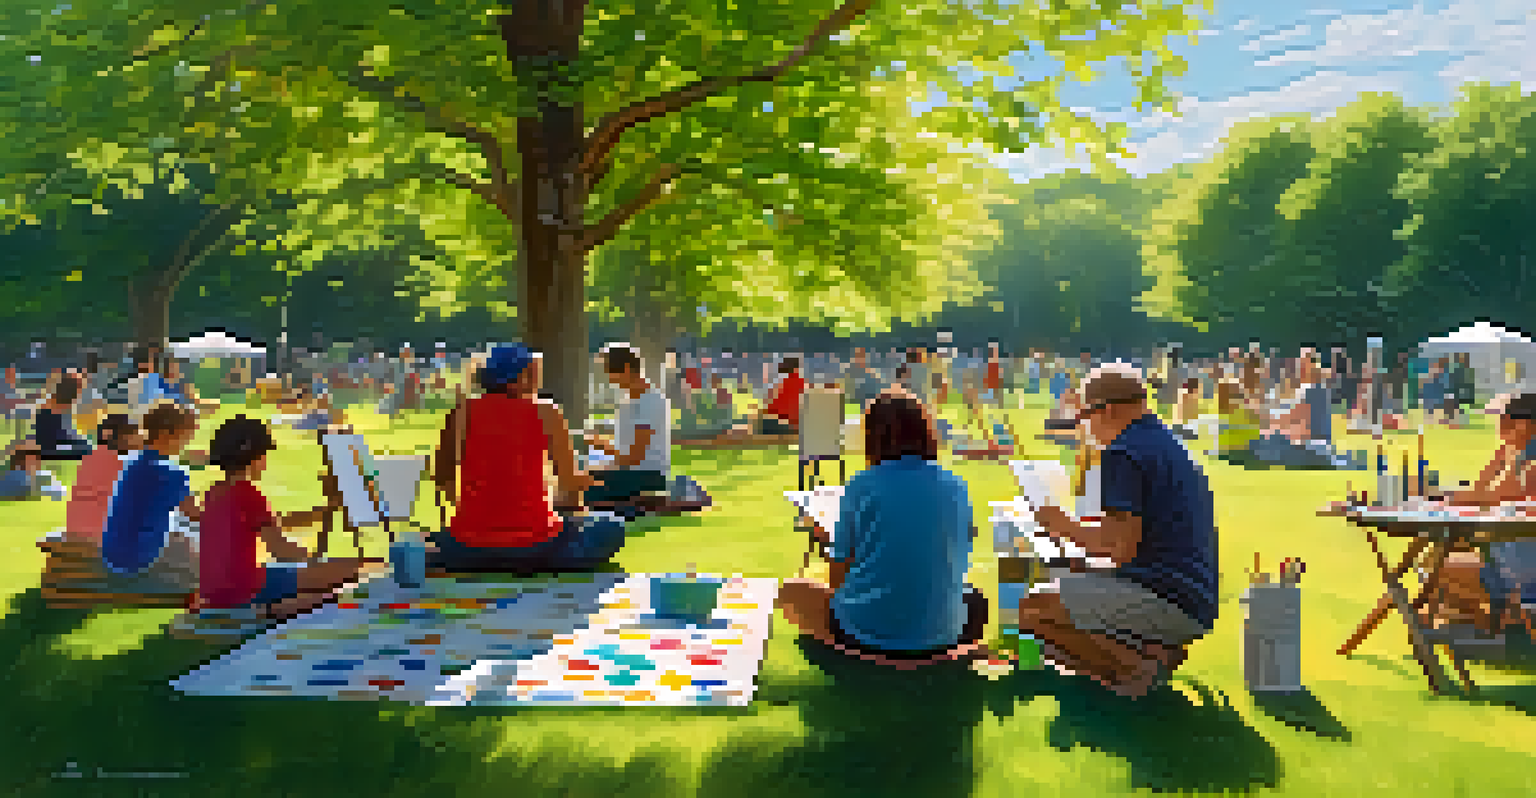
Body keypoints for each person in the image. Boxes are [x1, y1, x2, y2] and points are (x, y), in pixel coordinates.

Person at [1015, 364, 1218, 698]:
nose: (1082, 424)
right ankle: (1149, 653)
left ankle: (1133, 669)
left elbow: (1117, 549)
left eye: (1083, 414)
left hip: (1167, 595)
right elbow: (1132, 535)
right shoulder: (1163, 442)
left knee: (1032, 609)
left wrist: (1061, 525)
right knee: (1064, 590)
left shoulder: (1123, 452)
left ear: (1105, 409)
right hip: (1190, 594)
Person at [776, 388, 985, 658]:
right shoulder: (955, 484)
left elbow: (837, 581)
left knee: (793, 591)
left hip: (870, 631)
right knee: (973, 596)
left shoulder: (862, 485)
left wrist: (828, 542)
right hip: (944, 631)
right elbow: (958, 557)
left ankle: (845, 652)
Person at [430, 344, 625, 573]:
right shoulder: (546, 411)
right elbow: (570, 486)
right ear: (521, 377)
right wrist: (584, 481)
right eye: (535, 372)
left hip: (468, 547)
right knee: (611, 525)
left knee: (435, 540)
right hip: (534, 546)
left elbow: (442, 477)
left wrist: (479, 513)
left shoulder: (461, 412)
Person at [199, 416, 364, 619]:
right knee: (348, 571)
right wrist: (314, 560)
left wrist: (325, 511)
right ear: (253, 455)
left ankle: (269, 608)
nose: (266, 462)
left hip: (216, 588)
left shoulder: (215, 491)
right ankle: (266, 611)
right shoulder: (248, 493)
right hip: (243, 586)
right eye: (265, 455)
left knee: (327, 574)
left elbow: (274, 523)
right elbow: (280, 549)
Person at [1444, 393, 1536, 631]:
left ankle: (1495, 630)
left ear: (1523, 424)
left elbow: (1485, 496)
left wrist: (1507, 452)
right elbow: (1479, 492)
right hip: (1515, 562)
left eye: (1503, 420)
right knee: (1450, 558)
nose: (1498, 427)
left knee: (1440, 568)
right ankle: (1496, 626)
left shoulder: (1528, 464)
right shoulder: (1519, 454)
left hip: (1523, 574)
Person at [99, 402, 203, 595]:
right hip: (139, 558)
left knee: (180, 524)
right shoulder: (172, 472)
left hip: (112, 555)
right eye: (184, 437)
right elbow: (197, 516)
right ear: (166, 435)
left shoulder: (131, 461)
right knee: (203, 535)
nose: (185, 444)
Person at [584, 345, 672, 508]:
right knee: (575, 479)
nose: (609, 378)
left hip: (647, 477)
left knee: (579, 493)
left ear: (625, 368)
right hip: (630, 472)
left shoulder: (649, 401)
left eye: (609, 371)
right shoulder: (629, 400)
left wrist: (602, 445)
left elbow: (634, 457)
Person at [64, 415, 143, 544]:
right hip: (101, 536)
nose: (139, 440)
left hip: (76, 530)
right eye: (134, 435)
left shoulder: (88, 459)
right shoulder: (123, 464)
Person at [33, 370, 93, 460]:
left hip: (60, 444)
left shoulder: (66, 406)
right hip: (50, 450)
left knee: (87, 446)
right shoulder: (48, 408)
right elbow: (48, 443)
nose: (80, 393)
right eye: (79, 388)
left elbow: (68, 433)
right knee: (86, 449)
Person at [739, 357, 805, 436]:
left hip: (788, 425)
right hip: (797, 424)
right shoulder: (800, 382)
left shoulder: (789, 383)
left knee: (760, 422)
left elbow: (780, 406)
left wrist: (762, 411)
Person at [0, 440, 65, 501]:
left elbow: (61, 492)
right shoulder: (11, 477)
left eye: (37, 456)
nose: (37, 460)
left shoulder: (45, 476)